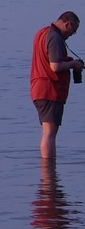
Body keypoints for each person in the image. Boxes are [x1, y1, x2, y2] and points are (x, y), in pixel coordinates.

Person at [30, 11, 82, 159]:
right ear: (67, 24)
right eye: (73, 31)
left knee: (48, 133)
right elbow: (55, 66)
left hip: (39, 88)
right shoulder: (55, 37)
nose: (72, 34)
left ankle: (48, 172)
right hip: (50, 90)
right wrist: (74, 64)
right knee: (49, 134)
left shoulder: (42, 33)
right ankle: (49, 171)